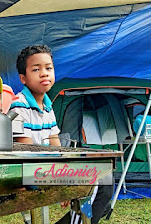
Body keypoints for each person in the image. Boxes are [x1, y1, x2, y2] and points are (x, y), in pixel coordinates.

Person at [10, 45, 112, 224]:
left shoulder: (48, 107)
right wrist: (63, 179)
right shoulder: (19, 104)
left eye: (48, 68)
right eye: (36, 69)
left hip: (44, 169)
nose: (44, 73)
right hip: (26, 171)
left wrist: (66, 174)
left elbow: (56, 147)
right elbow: (26, 151)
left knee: (105, 178)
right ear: (23, 78)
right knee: (95, 181)